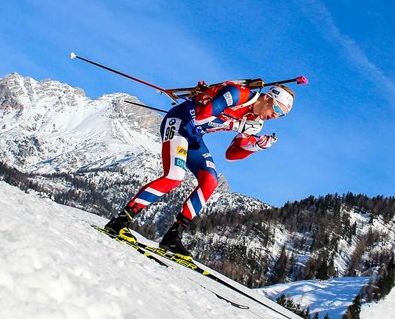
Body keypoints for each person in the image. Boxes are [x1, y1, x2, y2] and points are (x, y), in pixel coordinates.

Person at [104, 79, 294, 257]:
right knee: (174, 176)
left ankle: (173, 236)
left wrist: (255, 146)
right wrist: (236, 124)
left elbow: (232, 154)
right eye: (277, 108)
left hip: (194, 136)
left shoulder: (255, 123)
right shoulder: (239, 94)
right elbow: (204, 115)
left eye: (282, 115)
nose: (275, 116)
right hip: (180, 122)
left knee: (210, 181)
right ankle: (120, 221)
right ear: (268, 97)